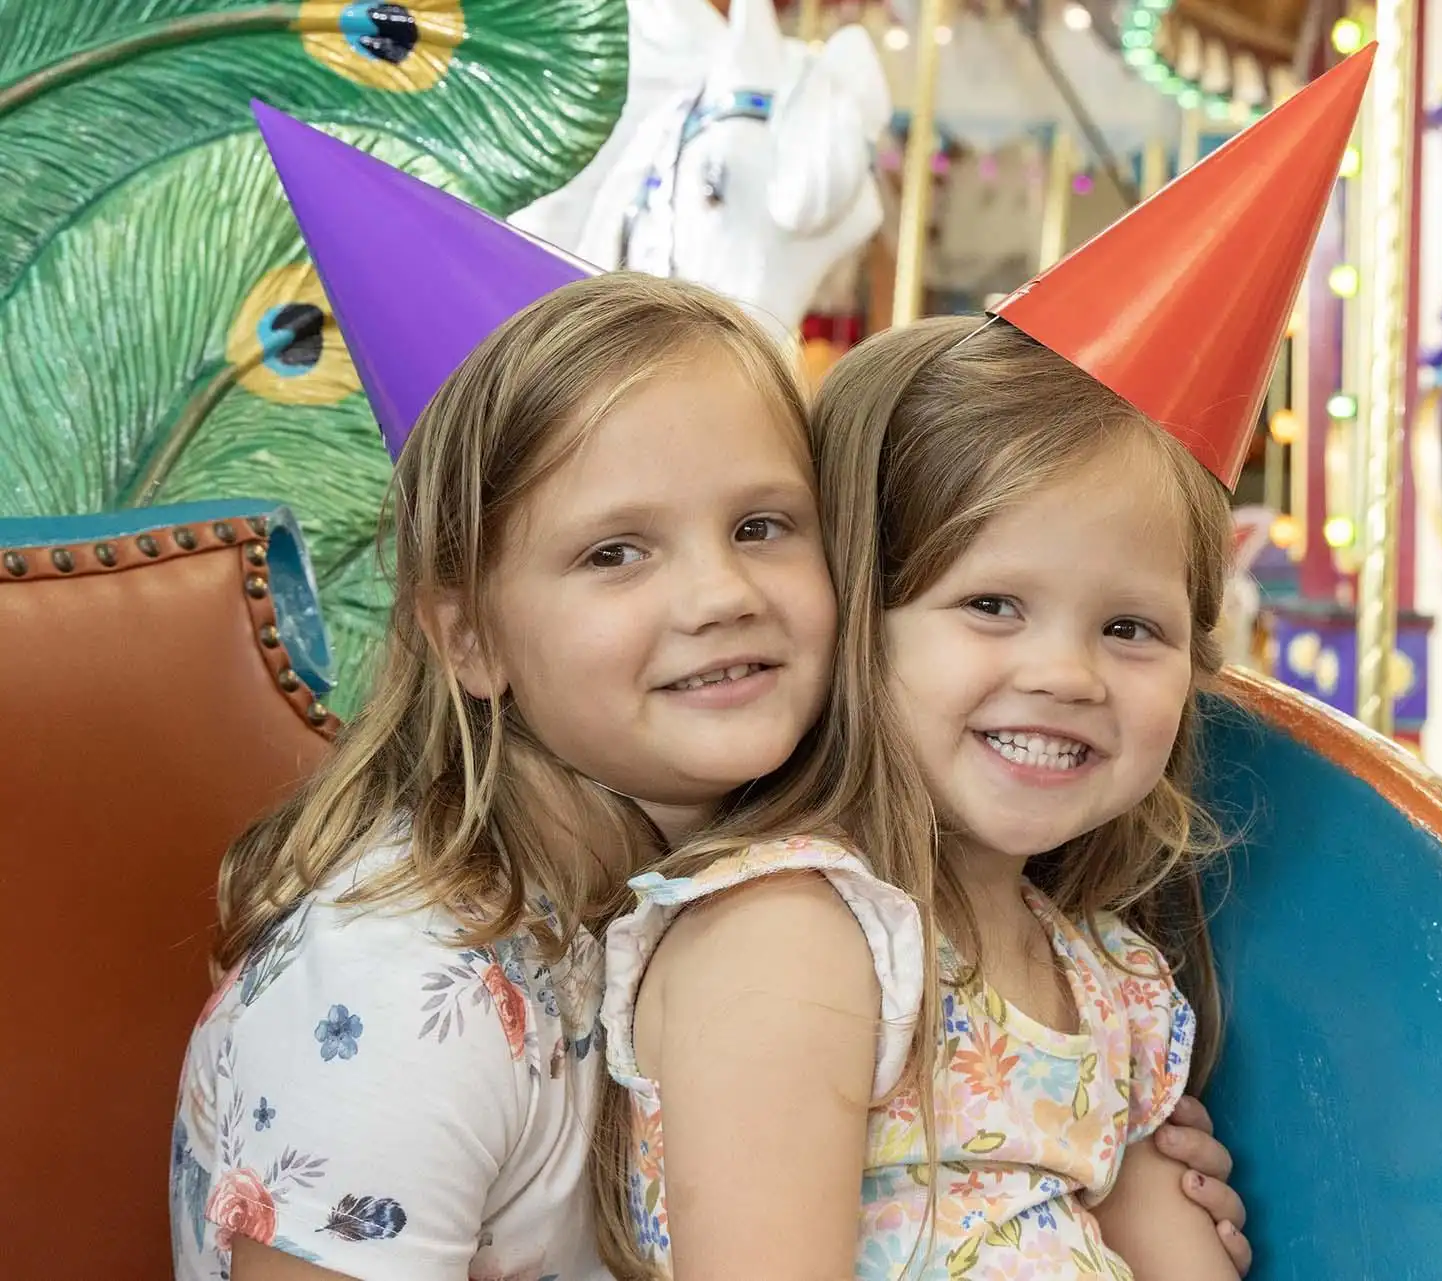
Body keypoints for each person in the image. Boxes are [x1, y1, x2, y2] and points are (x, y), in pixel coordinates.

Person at [173, 106, 1251, 1281]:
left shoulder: (868, 901)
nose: (720, 594)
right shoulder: (410, 995)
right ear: (470, 637)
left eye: (760, 526)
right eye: (614, 552)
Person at [595, 49, 1370, 1280]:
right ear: (858, 611)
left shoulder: (1107, 978)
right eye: (993, 604)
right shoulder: (795, 936)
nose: (1067, 672)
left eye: (1132, 629)